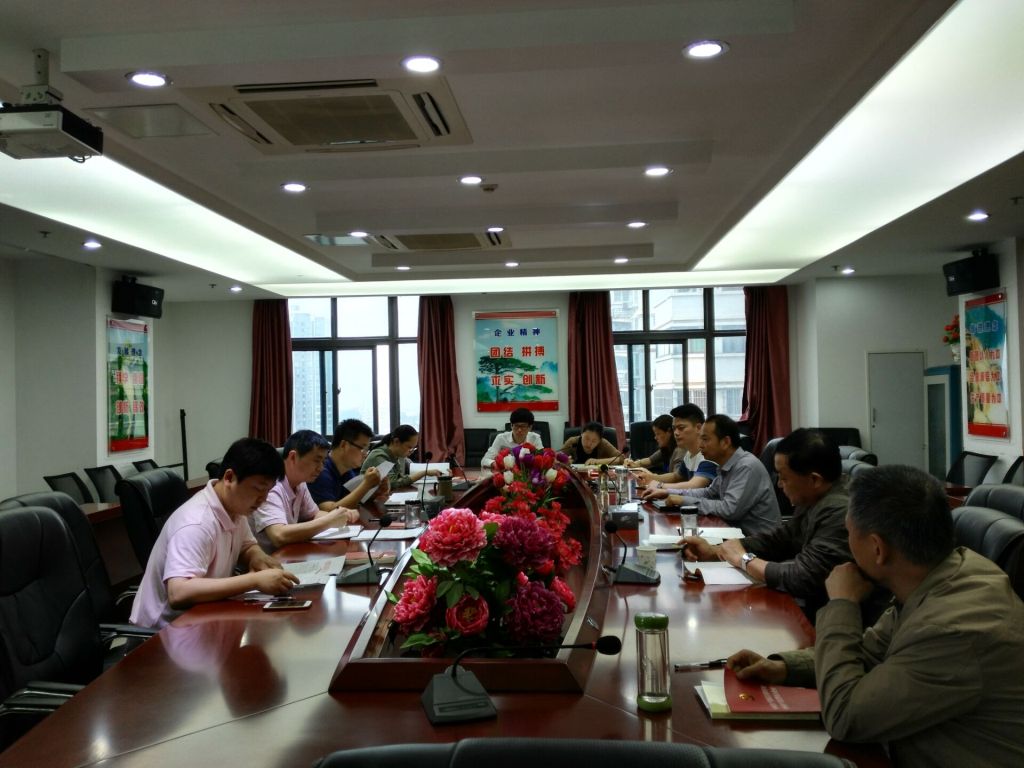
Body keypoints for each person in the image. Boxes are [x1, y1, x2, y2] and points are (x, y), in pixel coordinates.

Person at [728, 465, 1024, 767]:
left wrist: (842, 603)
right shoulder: (942, 575)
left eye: (849, 534)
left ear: (877, 548)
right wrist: (784, 667)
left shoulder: (952, 629)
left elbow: (845, 716)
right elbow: (869, 652)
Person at [129, 437, 300, 629]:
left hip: (205, 616)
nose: (263, 499)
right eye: (258, 489)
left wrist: (258, 557)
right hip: (163, 632)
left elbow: (246, 545)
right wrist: (254, 580)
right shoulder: (196, 523)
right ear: (229, 478)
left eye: (268, 491)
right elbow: (178, 592)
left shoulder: (235, 508)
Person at [680, 428, 851, 613]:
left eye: (784, 477)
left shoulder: (839, 512)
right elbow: (782, 540)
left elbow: (803, 578)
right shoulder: (813, 498)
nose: (779, 484)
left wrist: (744, 559)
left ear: (814, 480)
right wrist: (716, 551)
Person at [651, 413, 779, 536]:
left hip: (757, 541)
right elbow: (708, 493)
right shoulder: (726, 465)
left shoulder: (746, 466)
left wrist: (683, 500)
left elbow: (729, 510)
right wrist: (669, 492)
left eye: (705, 439)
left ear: (725, 442)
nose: (700, 445)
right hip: (734, 534)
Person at [249, 429, 362, 553]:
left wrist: (343, 514)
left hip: (288, 554)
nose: (321, 468)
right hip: (267, 559)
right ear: (293, 457)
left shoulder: (300, 483)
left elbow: (314, 514)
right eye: (317, 460)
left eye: (323, 462)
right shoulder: (271, 486)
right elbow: (279, 535)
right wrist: (329, 520)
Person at [308, 418, 389, 510]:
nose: (365, 454)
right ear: (344, 445)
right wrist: (366, 485)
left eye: (367, 449)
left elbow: (352, 501)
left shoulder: (348, 471)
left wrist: (376, 491)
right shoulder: (320, 471)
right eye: (362, 448)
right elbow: (329, 510)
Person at [637, 403, 717, 495]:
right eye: (674, 428)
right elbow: (676, 476)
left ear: (698, 428)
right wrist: (650, 477)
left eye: (681, 428)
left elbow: (694, 485)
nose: (676, 433)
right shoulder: (689, 453)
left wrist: (659, 485)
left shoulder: (709, 454)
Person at [361, 424, 441, 487]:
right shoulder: (379, 456)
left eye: (413, 448)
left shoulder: (398, 455)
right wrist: (423, 473)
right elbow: (392, 483)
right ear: (396, 442)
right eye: (409, 447)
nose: (411, 451)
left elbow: (409, 471)